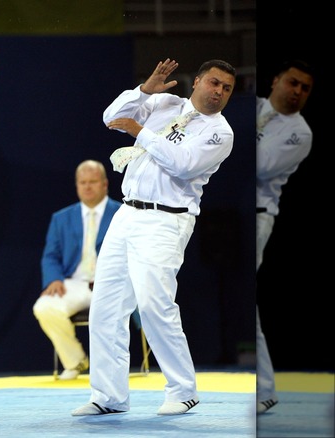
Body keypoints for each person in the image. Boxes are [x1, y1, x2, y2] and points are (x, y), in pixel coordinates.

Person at [71, 58, 236, 416]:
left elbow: (183, 163)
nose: (219, 92)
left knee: (153, 304)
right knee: (106, 308)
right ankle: (109, 396)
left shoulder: (220, 132)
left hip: (167, 220)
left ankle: (183, 389)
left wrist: (140, 132)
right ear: (196, 82)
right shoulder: (165, 103)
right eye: (214, 83)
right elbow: (110, 116)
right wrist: (144, 90)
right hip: (127, 212)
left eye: (226, 88)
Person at [255, 59, 314, 415]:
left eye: (305, 89)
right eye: (293, 83)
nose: (297, 92)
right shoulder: (253, 107)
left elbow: (259, 165)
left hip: (260, 215)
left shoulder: (300, 133)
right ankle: (263, 387)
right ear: (276, 80)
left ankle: (264, 389)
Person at [33, 160, 121, 380]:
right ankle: (76, 361)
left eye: (93, 182)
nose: (87, 187)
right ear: (77, 185)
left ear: (105, 184)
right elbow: (51, 255)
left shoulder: (123, 214)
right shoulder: (61, 218)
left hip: (113, 284)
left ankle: (112, 372)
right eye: (83, 182)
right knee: (44, 307)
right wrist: (54, 278)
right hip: (76, 283)